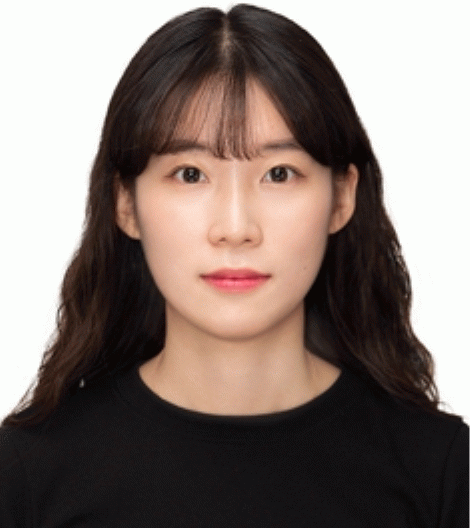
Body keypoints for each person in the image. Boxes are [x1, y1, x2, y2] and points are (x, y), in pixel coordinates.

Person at [0, 4, 468, 526]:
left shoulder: (442, 471)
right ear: (125, 203)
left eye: (279, 174)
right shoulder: (27, 474)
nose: (236, 227)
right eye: (190, 174)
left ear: (342, 197)